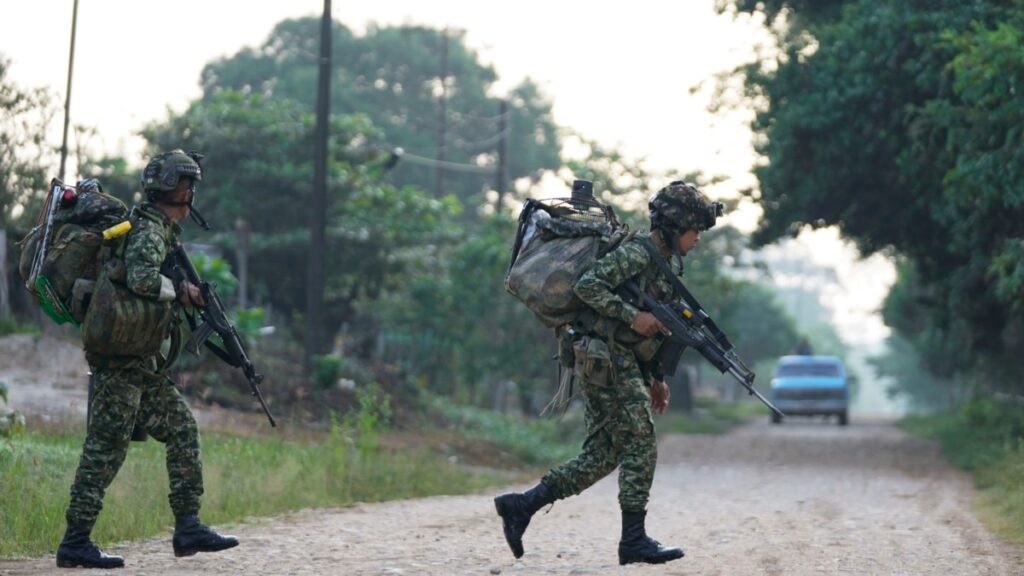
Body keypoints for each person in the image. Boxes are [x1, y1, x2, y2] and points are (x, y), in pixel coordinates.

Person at [494, 181, 723, 566]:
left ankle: (522, 505)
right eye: (693, 231)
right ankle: (633, 540)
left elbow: (656, 326)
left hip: (615, 361)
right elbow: (588, 286)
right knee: (641, 441)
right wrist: (633, 316)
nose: (697, 239)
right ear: (673, 226)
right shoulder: (638, 254)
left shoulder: (659, 265)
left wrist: (657, 377)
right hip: (606, 360)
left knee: (603, 453)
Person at [56, 150, 237, 569]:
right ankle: (75, 541)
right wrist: (183, 292)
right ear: (180, 191)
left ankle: (188, 526)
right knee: (106, 448)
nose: (191, 195)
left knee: (181, 429)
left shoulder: (159, 230)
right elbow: (140, 277)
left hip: (140, 362)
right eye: (188, 187)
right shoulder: (151, 232)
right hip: (120, 362)